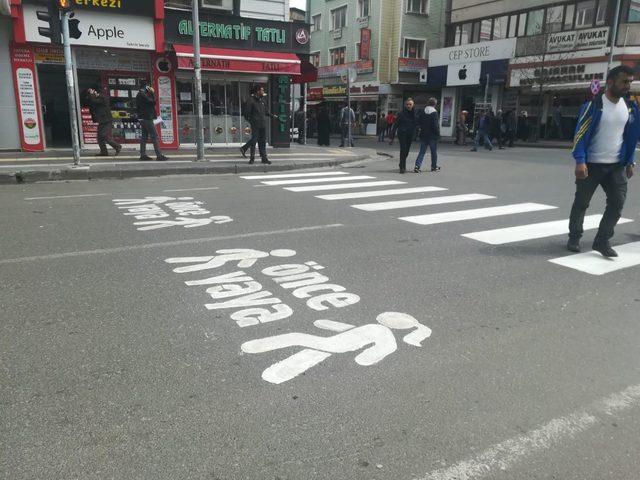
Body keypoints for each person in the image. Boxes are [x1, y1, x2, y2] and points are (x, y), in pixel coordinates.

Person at [567, 65, 638, 257]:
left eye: (629, 82)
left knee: (617, 203)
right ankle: (574, 236)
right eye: (624, 81)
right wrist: (580, 161)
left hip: (616, 166)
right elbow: (580, 135)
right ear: (610, 82)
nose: (627, 86)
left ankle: (602, 240)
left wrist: (630, 161)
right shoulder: (593, 106)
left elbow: (630, 137)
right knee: (581, 203)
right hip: (591, 164)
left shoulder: (630, 108)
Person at [240, 85, 278, 164]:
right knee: (254, 141)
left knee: (263, 142)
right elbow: (246, 113)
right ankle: (252, 158)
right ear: (257, 91)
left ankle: (264, 158)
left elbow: (266, 112)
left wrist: (272, 116)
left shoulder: (263, 101)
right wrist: (252, 121)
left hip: (263, 124)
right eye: (262, 90)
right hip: (255, 124)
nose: (263, 92)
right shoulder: (251, 100)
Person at [85, 88, 121, 157]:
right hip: (101, 120)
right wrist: (90, 95)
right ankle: (104, 152)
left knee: (103, 135)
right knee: (99, 137)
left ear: (96, 92)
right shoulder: (94, 98)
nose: (91, 94)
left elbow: (94, 101)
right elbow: (89, 102)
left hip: (107, 120)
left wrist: (92, 95)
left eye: (92, 92)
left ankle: (117, 146)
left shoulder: (103, 98)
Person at [136, 83, 167, 161]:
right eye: (149, 87)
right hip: (147, 118)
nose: (150, 88)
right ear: (147, 87)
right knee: (154, 136)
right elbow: (153, 102)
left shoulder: (139, 94)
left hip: (142, 118)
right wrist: (152, 93)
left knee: (144, 137)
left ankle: (143, 155)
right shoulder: (143, 95)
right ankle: (159, 155)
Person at [389, 98, 418, 174]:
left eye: (410, 104)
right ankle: (402, 167)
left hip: (410, 134)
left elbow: (417, 124)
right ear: (405, 105)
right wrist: (391, 137)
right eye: (407, 104)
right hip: (402, 134)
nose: (408, 106)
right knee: (403, 149)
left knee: (407, 151)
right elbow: (395, 125)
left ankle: (401, 163)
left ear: (413, 105)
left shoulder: (415, 113)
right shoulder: (401, 113)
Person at [413, 97, 441, 173]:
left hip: (424, 134)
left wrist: (420, 128)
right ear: (435, 104)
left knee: (422, 151)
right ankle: (433, 166)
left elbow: (418, 121)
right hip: (432, 136)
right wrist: (438, 134)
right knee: (433, 152)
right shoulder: (434, 112)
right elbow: (435, 125)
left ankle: (417, 166)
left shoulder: (423, 111)